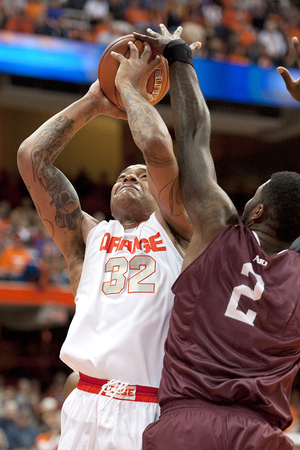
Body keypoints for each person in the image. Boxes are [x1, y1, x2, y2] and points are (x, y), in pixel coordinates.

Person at [17, 40, 194, 450]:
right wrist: (93, 101)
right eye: (122, 174)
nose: (129, 177)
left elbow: (156, 149)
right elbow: (31, 158)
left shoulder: (183, 231)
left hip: (148, 406)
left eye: (140, 175)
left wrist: (130, 88)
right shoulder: (87, 237)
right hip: (83, 403)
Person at [133, 25, 300, 450]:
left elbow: (192, 138)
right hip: (260, 435)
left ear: (258, 210)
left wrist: (179, 58)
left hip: (187, 423)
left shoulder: (217, 227)